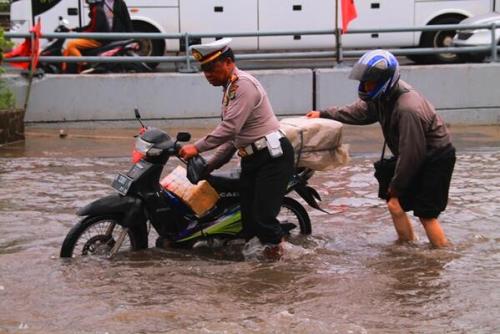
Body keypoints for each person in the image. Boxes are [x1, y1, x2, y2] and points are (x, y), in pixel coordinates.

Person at [307, 49, 456, 248]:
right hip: (414, 154)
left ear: (384, 81)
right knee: (395, 204)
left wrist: (396, 186)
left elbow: (412, 155)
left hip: (436, 157)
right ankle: (407, 249)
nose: (365, 87)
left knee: (426, 214)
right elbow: (359, 112)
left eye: (370, 83)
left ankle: (440, 257)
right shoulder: (382, 96)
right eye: (364, 82)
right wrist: (324, 114)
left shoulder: (407, 109)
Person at [179, 38, 295, 259]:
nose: (208, 75)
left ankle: (281, 267)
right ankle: (260, 264)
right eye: (204, 70)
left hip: (273, 158)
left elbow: (230, 129)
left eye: (212, 68)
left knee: (263, 218)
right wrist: (209, 166)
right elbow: (234, 141)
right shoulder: (230, 88)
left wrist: (196, 147)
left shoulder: (244, 86)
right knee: (249, 220)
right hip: (253, 159)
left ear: (229, 62)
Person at [63, 0, 133, 73]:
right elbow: (92, 25)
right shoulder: (100, 4)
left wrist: (131, 35)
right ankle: (71, 68)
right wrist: (77, 30)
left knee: (71, 44)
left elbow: (127, 20)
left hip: (111, 35)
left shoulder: (119, 3)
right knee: (72, 46)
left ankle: (83, 64)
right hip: (104, 35)